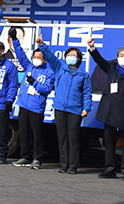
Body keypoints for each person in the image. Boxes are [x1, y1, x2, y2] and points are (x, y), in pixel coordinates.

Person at [87, 37, 124, 182]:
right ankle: (110, 169)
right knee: (109, 141)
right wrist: (92, 48)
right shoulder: (112, 68)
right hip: (109, 109)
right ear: (117, 57)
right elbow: (99, 60)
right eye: (121, 55)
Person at [37, 34, 92, 174]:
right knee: (62, 138)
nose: (70, 56)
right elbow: (50, 57)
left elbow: (87, 93)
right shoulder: (59, 68)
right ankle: (63, 165)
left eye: (73, 55)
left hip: (75, 110)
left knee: (73, 138)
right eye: (68, 54)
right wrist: (41, 44)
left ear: (78, 58)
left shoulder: (83, 75)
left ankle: (73, 166)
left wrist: (86, 108)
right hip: (60, 108)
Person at [9, 28, 55, 170]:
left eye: (39, 57)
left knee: (36, 134)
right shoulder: (29, 66)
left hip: (36, 107)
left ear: (44, 59)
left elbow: (47, 89)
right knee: (23, 133)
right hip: (24, 105)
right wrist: (14, 39)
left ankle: (37, 158)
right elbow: (21, 55)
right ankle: (25, 156)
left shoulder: (49, 72)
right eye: (35, 56)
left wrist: (34, 82)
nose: (36, 59)